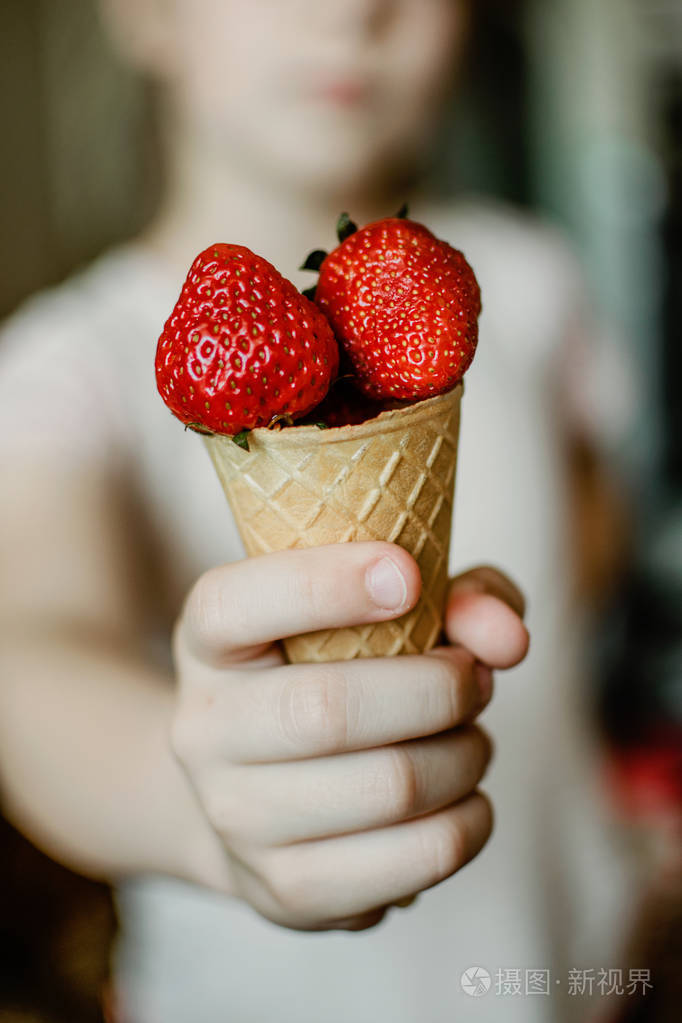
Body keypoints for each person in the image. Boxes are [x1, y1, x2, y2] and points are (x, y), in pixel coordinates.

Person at [0, 1, 637, 1020]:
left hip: (576, 968)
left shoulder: (533, 282)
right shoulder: (66, 366)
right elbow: (32, 649)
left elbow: (592, 553)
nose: (351, 10)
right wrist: (198, 806)